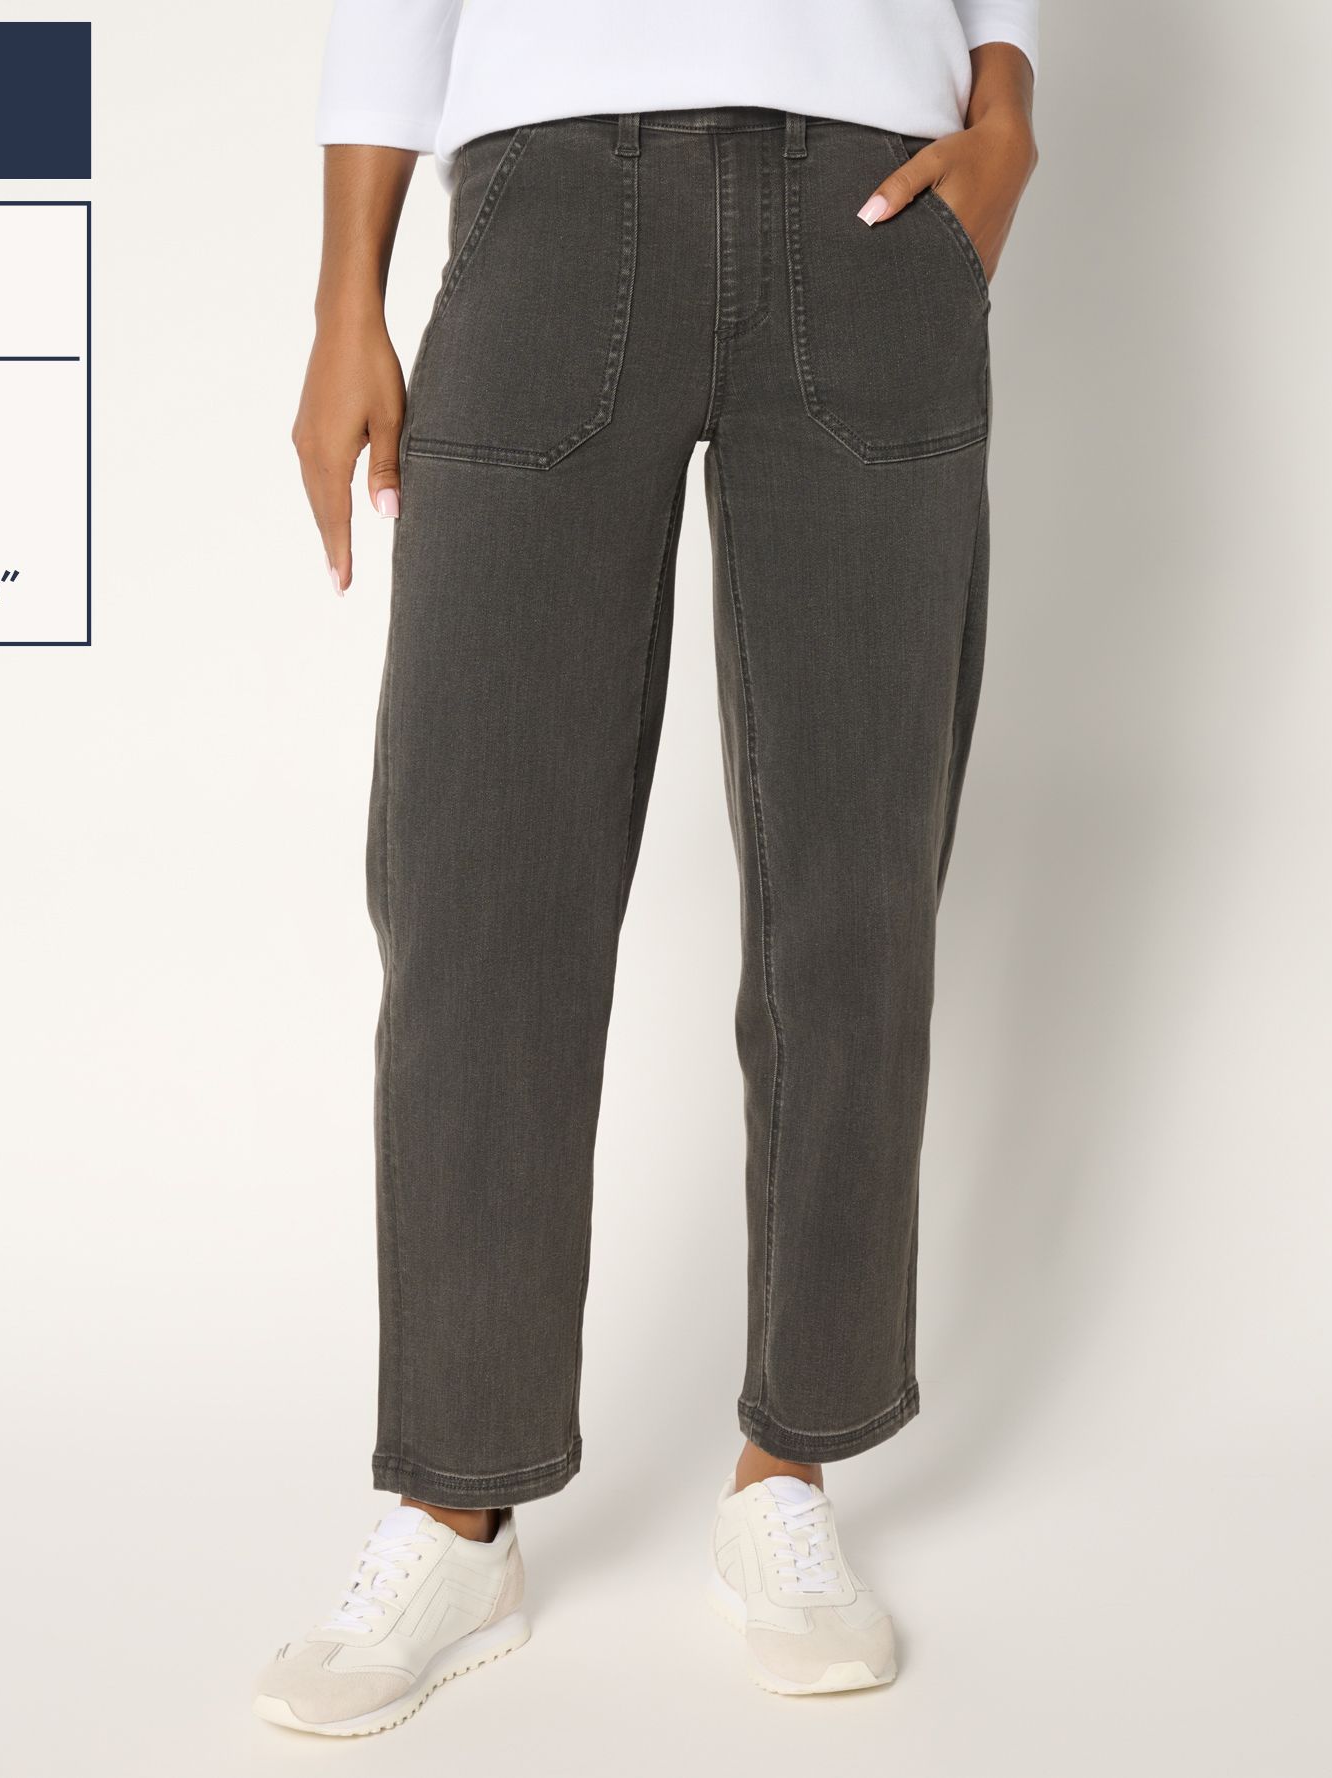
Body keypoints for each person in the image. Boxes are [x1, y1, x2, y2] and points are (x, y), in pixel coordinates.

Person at [255, 0, 1040, 1736]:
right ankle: (455, 1506)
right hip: (548, 205)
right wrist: (343, 301)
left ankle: (790, 1470)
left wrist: (1008, 102)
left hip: (874, 207)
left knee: (854, 884)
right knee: (479, 886)